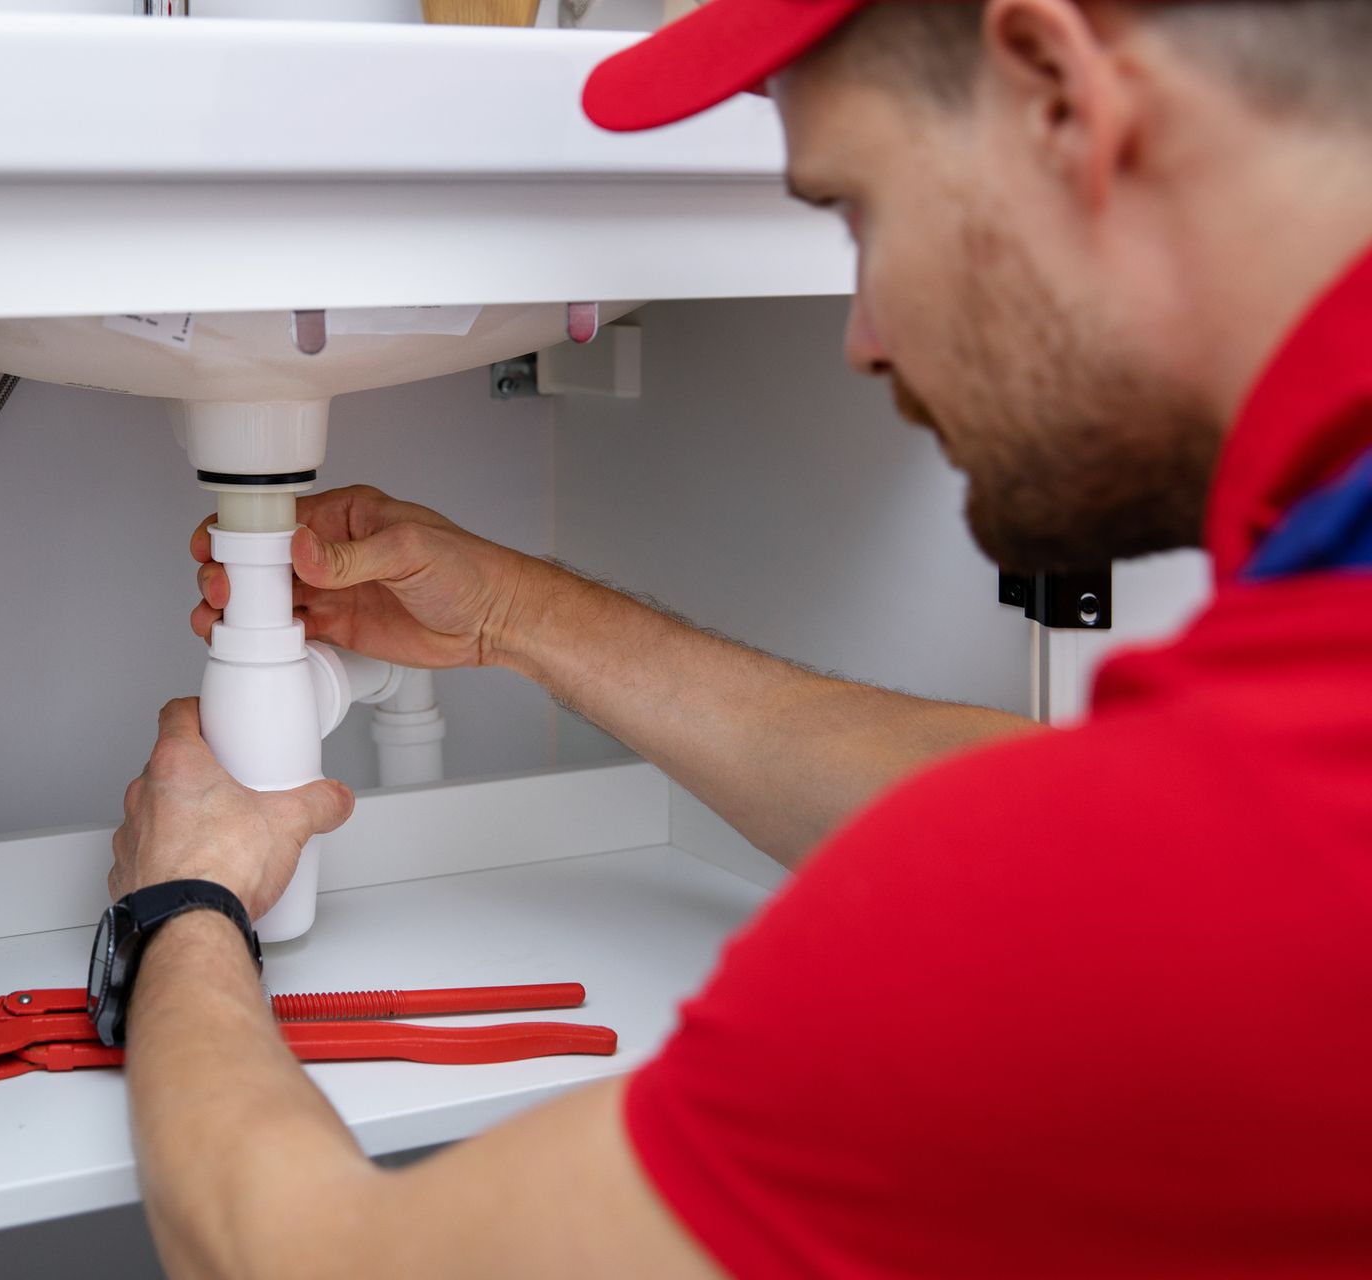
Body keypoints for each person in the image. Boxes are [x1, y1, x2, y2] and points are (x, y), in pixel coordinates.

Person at [103, 1, 1372, 1275]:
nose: (861, 336)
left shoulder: (1238, 861)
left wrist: (185, 904)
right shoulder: (1303, 716)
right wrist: (513, 613)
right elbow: (1055, 820)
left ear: (1057, 94)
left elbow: (318, 1259)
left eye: (859, 210)